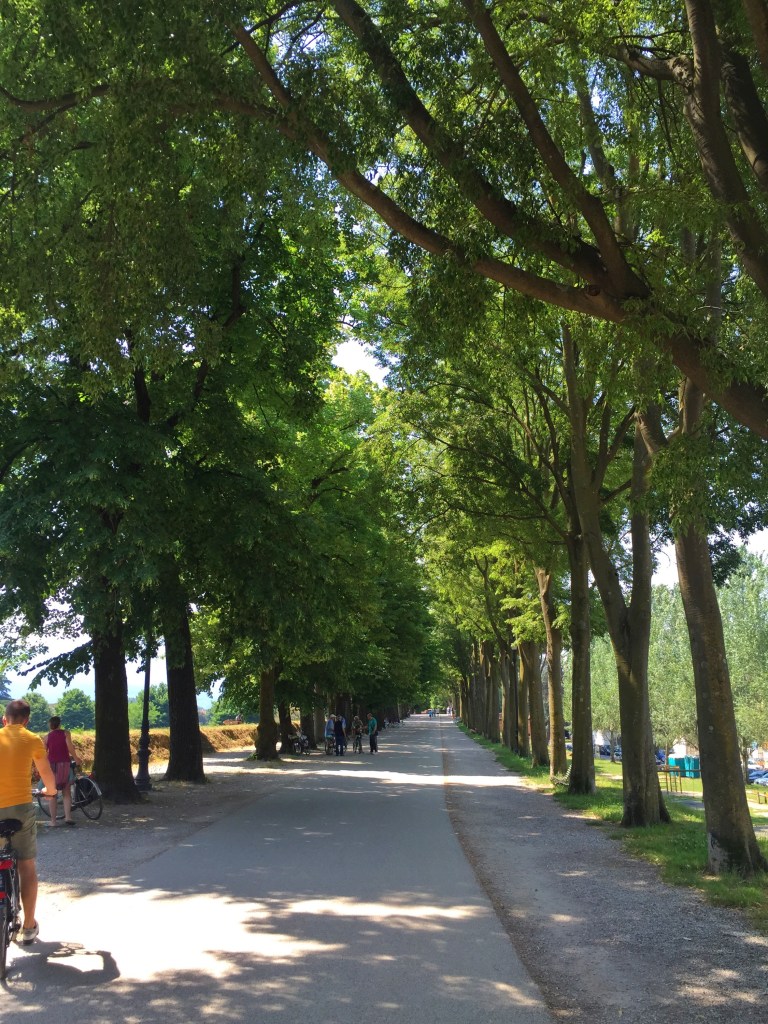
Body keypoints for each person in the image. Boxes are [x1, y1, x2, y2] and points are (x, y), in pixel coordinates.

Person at [0, 699, 57, 945]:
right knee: (26, 866)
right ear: (27, 720)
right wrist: (51, 791)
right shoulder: (33, 738)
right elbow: (46, 775)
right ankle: (29, 925)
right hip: (20, 808)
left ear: (5, 719)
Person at [45, 716, 80, 827]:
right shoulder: (66, 733)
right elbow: (70, 747)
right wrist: (76, 758)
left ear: (50, 725)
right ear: (59, 724)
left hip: (52, 766)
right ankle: (68, 817)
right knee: (66, 791)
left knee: (52, 793)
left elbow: (43, 754)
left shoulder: (46, 737)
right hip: (65, 764)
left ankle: (53, 821)